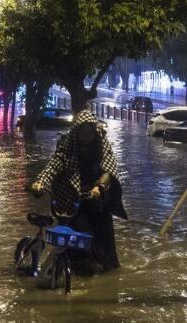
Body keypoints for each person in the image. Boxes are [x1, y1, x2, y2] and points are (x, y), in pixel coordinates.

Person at [31, 105, 127, 272]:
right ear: (76, 133)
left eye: (89, 133)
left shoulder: (102, 145)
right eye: (83, 133)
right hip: (71, 196)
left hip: (96, 197)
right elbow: (54, 164)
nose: (86, 137)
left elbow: (109, 169)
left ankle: (104, 268)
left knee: (100, 234)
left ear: (94, 132)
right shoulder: (68, 145)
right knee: (71, 230)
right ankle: (71, 266)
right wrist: (40, 181)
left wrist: (99, 187)